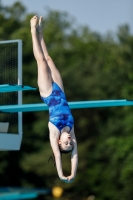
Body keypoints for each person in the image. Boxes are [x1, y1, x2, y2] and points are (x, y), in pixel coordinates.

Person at [30, 15, 78, 183]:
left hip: (49, 93)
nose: (70, 142)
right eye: (71, 144)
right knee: (49, 58)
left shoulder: (55, 132)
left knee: (42, 61)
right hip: (61, 91)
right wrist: (73, 172)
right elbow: (75, 154)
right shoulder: (70, 130)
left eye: (67, 143)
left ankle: (32, 29)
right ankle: (40, 31)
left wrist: (61, 174)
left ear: (59, 142)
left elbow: (58, 156)